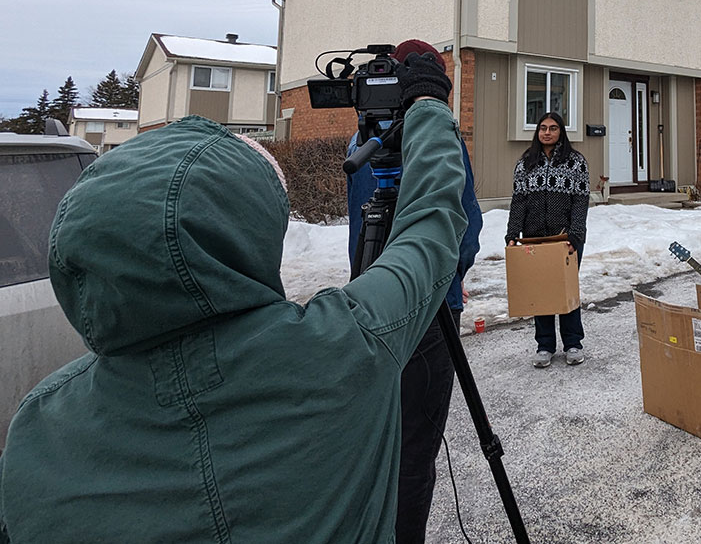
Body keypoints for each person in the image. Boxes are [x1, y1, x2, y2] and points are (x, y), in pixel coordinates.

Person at [0, 53, 466, 543]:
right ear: (248, 235)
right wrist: (430, 108)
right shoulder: (343, 347)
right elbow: (430, 229)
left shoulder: (37, 426)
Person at [346, 40, 482, 544]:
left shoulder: (361, 141)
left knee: (368, 445)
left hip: (364, 306)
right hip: (430, 317)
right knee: (413, 452)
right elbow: (463, 234)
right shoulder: (439, 140)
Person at [505, 111, 590, 368]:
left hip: (565, 236)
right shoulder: (525, 163)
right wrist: (512, 235)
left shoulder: (576, 162)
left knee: (566, 290)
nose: (547, 132)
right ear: (537, 132)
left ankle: (573, 343)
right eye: (543, 128)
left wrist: (575, 234)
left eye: (553, 128)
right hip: (534, 238)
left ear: (561, 131)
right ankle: (545, 345)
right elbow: (518, 201)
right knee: (540, 291)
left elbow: (581, 201)